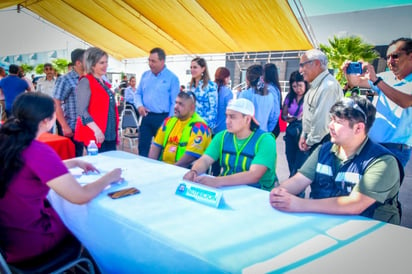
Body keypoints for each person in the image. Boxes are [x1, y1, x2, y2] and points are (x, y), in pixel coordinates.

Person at [0, 92, 122, 264]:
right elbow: (80, 196)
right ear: (46, 121)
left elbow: (27, 170)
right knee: (89, 222)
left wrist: (73, 163)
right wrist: (109, 177)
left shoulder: (8, 141)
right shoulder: (37, 151)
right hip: (31, 240)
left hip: (9, 237)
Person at [270, 96, 403, 224]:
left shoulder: (383, 162)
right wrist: (280, 192)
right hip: (326, 225)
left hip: (369, 234)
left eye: (338, 122)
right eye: (332, 119)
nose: (330, 126)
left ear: (358, 128)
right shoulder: (324, 150)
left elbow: (355, 204)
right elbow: (299, 180)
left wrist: (300, 204)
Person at [343, 37, 412, 167]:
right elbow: (355, 82)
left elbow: (405, 102)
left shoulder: (380, 80)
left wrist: (376, 81)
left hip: (394, 150)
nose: (390, 61)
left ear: (410, 56)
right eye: (388, 57)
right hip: (371, 145)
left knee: (382, 187)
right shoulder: (385, 77)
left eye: (395, 56)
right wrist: (349, 73)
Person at [183, 98, 278, 191]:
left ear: (247, 119)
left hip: (257, 192)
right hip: (227, 188)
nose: (227, 121)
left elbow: (254, 175)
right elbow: (206, 160)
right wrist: (194, 171)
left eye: (232, 117)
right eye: (227, 116)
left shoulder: (265, 140)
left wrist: (217, 181)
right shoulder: (222, 136)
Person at [135, 47, 180, 157]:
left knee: (162, 150)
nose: (150, 64)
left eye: (153, 61)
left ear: (162, 61)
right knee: (142, 147)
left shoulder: (172, 78)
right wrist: (139, 106)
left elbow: (175, 102)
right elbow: (138, 93)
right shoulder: (145, 75)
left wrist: (169, 122)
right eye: (149, 60)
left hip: (163, 119)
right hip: (146, 116)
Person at [149, 91, 211, 168]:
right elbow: (156, 146)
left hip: (186, 171)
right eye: (176, 102)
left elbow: (190, 157)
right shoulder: (168, 121)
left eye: (181, 104)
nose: (176, 106)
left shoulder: (200, 127)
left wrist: (170, 170)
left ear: (192, 108)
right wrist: (151, 166)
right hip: (165, 167)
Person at [74, 47, 119, 153]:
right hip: (95, 135)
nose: (105, 65)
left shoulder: (104, 83)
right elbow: (82, 111)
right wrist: (97, 130)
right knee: (101, 167)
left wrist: (115, 133)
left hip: (109, 134)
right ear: (92, 65)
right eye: (101, 63)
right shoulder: (85, 81)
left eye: (106, 62)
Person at [298, 49, 343, 154]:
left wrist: (309, 142)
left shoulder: (328, 86)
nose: (300, 70)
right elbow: (309, 116)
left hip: (322, 143)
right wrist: (303, 135)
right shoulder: (316, 85)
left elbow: (322, 124)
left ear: (316, 63)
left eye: (302, 65)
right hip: (313, 141)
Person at [53, 48, 86, 157]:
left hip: (89, 127)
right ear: (78, 63)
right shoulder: (65, 79)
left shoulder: (88, 78)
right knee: (75, 159)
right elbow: (56, 103)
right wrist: (64, 126)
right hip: (73, 128)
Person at [282, 71, 308, 177]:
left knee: (301, 160)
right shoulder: (289, 97)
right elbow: (284, 115)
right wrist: (289, 119)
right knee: (290, 157)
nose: (298, 89)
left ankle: (296, 184)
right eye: (294, 86)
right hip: (292, 132)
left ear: (305, 83)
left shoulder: (310, 96)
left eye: (300, 85)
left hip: (305, 132)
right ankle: (293, 178)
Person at [239, 64, 278, 132]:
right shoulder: (270, 95)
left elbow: (239, 116)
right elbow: (274, 116)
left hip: (248, 134)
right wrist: (268, 131)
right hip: (264, 133)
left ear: (247, 79)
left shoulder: (245, 94)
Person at [189, 57, 218, 131]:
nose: (192, 70)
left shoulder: (211, 86)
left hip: (204, 126)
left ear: (203, 69)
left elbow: (213, 109)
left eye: (195, 67)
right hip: (190, 125)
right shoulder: (189, 86)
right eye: (191, 67)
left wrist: (206, 126)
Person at [263, 63, 282, 138]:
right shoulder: (274, 87)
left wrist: (269, 129)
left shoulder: (270, 89)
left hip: (271, 127)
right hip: (272, 126)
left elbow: (275, 111)